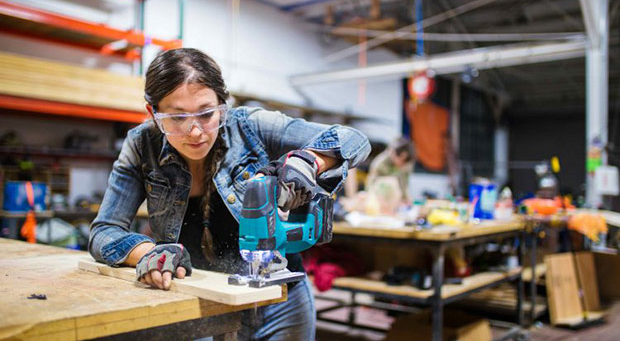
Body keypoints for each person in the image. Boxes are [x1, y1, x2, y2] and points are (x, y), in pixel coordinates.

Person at [88, 48, 370, 340]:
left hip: (279, 302)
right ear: (153, 114)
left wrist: (310, 161)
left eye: (207, 114)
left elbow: (354, 140)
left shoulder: (250, 126)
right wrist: (151, 254)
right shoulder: (141, 145)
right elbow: (104, 231)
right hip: (199, 299)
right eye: (177, 118)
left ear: (223, 103)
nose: (195, 131)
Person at [366, 137, 415, 203]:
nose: (403, 164)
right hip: (381, 198)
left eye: (405, 162)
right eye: (401, 160)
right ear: (393, 153)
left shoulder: (407, 165)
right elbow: (371, 185)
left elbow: (404, 184)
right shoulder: (380, 164)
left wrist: (406, 198)